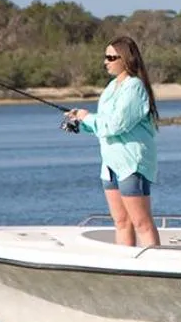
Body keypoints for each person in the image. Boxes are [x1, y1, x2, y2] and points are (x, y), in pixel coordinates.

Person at [65, 35, 160, 248]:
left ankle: (153, 264)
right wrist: (81, 122)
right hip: (110, 165)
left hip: (131, 163)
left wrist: (86, 116)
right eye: (105, 57)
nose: (105, 62)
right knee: (121, 221)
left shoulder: (134, 87)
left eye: (110, 57)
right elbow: (104, 126)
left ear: (125, 58)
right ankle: (126, 267)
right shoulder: (111, 88)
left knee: (141, 222)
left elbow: (117, 124)